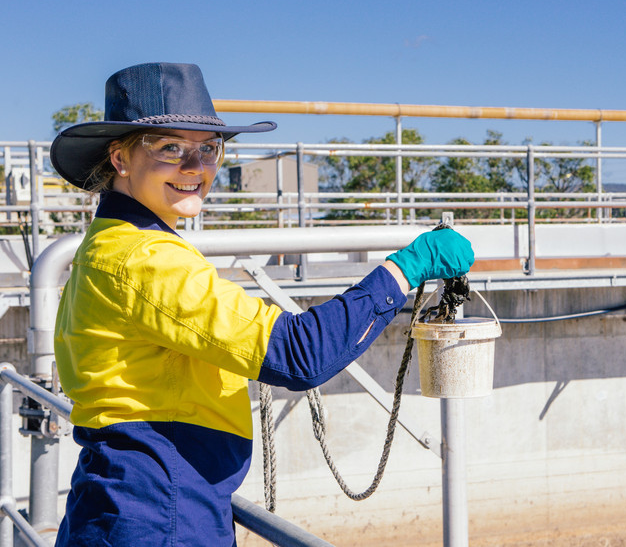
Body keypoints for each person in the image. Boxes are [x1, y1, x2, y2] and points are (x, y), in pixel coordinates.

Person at [49, 62, 474, 546]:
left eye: (208, 149)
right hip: (159, 508)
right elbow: (299, 354)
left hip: (126, 500)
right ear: (120, 159)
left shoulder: (108, 244)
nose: (195, 168)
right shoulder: (145, 260)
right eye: (170, 147)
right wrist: (405, 270)